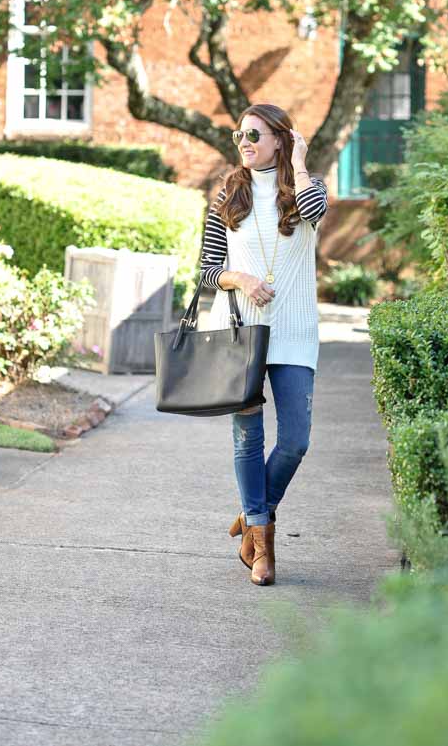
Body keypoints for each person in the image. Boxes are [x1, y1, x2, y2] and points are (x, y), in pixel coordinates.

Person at [199, 103, 328, 586]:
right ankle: (262, 548)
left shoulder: (308, 191)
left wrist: (299, 163)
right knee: (248, 439)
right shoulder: (228, 192)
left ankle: (252, 518)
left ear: (279, 138)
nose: (246, 143)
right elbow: (208, 268)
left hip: (294, 332)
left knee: (296, 439)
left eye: (255, 134)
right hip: (241, 334)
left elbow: (315, 213)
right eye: (240, 136)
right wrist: (240, 278)